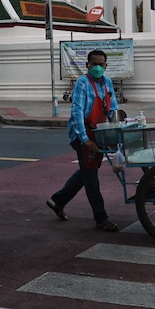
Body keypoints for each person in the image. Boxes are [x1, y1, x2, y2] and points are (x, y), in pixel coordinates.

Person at [47, 49, 119, 232]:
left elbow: (113, 110)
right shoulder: (82, 83)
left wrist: (117, 130)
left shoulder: (108, 82)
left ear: (106, 66)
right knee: (91, 178)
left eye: (100, 64)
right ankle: (101, 218)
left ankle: (58, 200)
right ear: (87, 65)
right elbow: (77, 112)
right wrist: (85, 140)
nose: (97, 67)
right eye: (93, 64)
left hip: (98, 133)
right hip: (82, 135)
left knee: (87, 172)